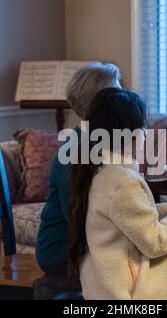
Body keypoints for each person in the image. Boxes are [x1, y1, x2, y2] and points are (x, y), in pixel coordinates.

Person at [68, 87, 167, 300]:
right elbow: (155, 242)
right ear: (133, 134)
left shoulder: (100, 169)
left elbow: (127, 216)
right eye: (143, 128)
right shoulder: (123, 183)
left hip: (104, 285)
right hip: (130, 293)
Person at [35, 63, 121, 282]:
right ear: (100, 104)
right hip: (62, 253)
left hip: (87, 243)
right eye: (117, 93)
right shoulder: (75, 150)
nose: (123, 98)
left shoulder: (100, 142)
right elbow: (80, 219)